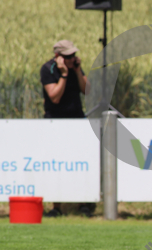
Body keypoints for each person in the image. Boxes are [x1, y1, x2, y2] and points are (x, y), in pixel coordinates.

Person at [40, 40, 93, 217]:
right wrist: (63, 75)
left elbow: (87, 91)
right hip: (55, 123)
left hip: (76, 121)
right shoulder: (48, 69)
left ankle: (83, 203)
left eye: (73, 55)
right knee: (57, 164)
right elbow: (54, 97)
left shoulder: (75, 68)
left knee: (81, 162)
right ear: (58, 57)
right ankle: (56, 206)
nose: (72, 59)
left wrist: (77, 72)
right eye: (68, 56)